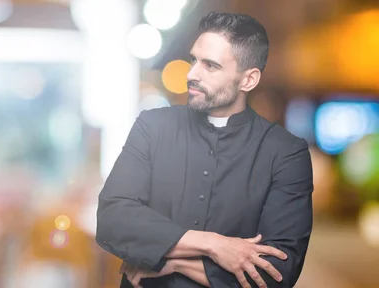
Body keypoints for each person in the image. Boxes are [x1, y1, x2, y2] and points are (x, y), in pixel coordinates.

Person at [95, 12, 313, 288]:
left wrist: (167, 260)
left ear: (248, 80)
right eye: (193, 60)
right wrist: (214, 245)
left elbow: (277, 272)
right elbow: (112, 221)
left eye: (210, 66)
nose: (191, 74)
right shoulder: (152, 126)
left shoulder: (286, 153)